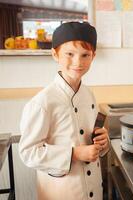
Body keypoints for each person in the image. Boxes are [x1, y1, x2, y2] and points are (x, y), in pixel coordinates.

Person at [19, 22, 109, 200]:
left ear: (93, 56)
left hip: (93, 189)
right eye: (70, 54)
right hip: (63, 191)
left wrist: (103, 141)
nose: (78, 62)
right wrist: (74, 154)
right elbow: (28, 152)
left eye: (85, 55)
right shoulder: (43, 102)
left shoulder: (89, 94)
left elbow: (90, 136)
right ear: (55, 54)